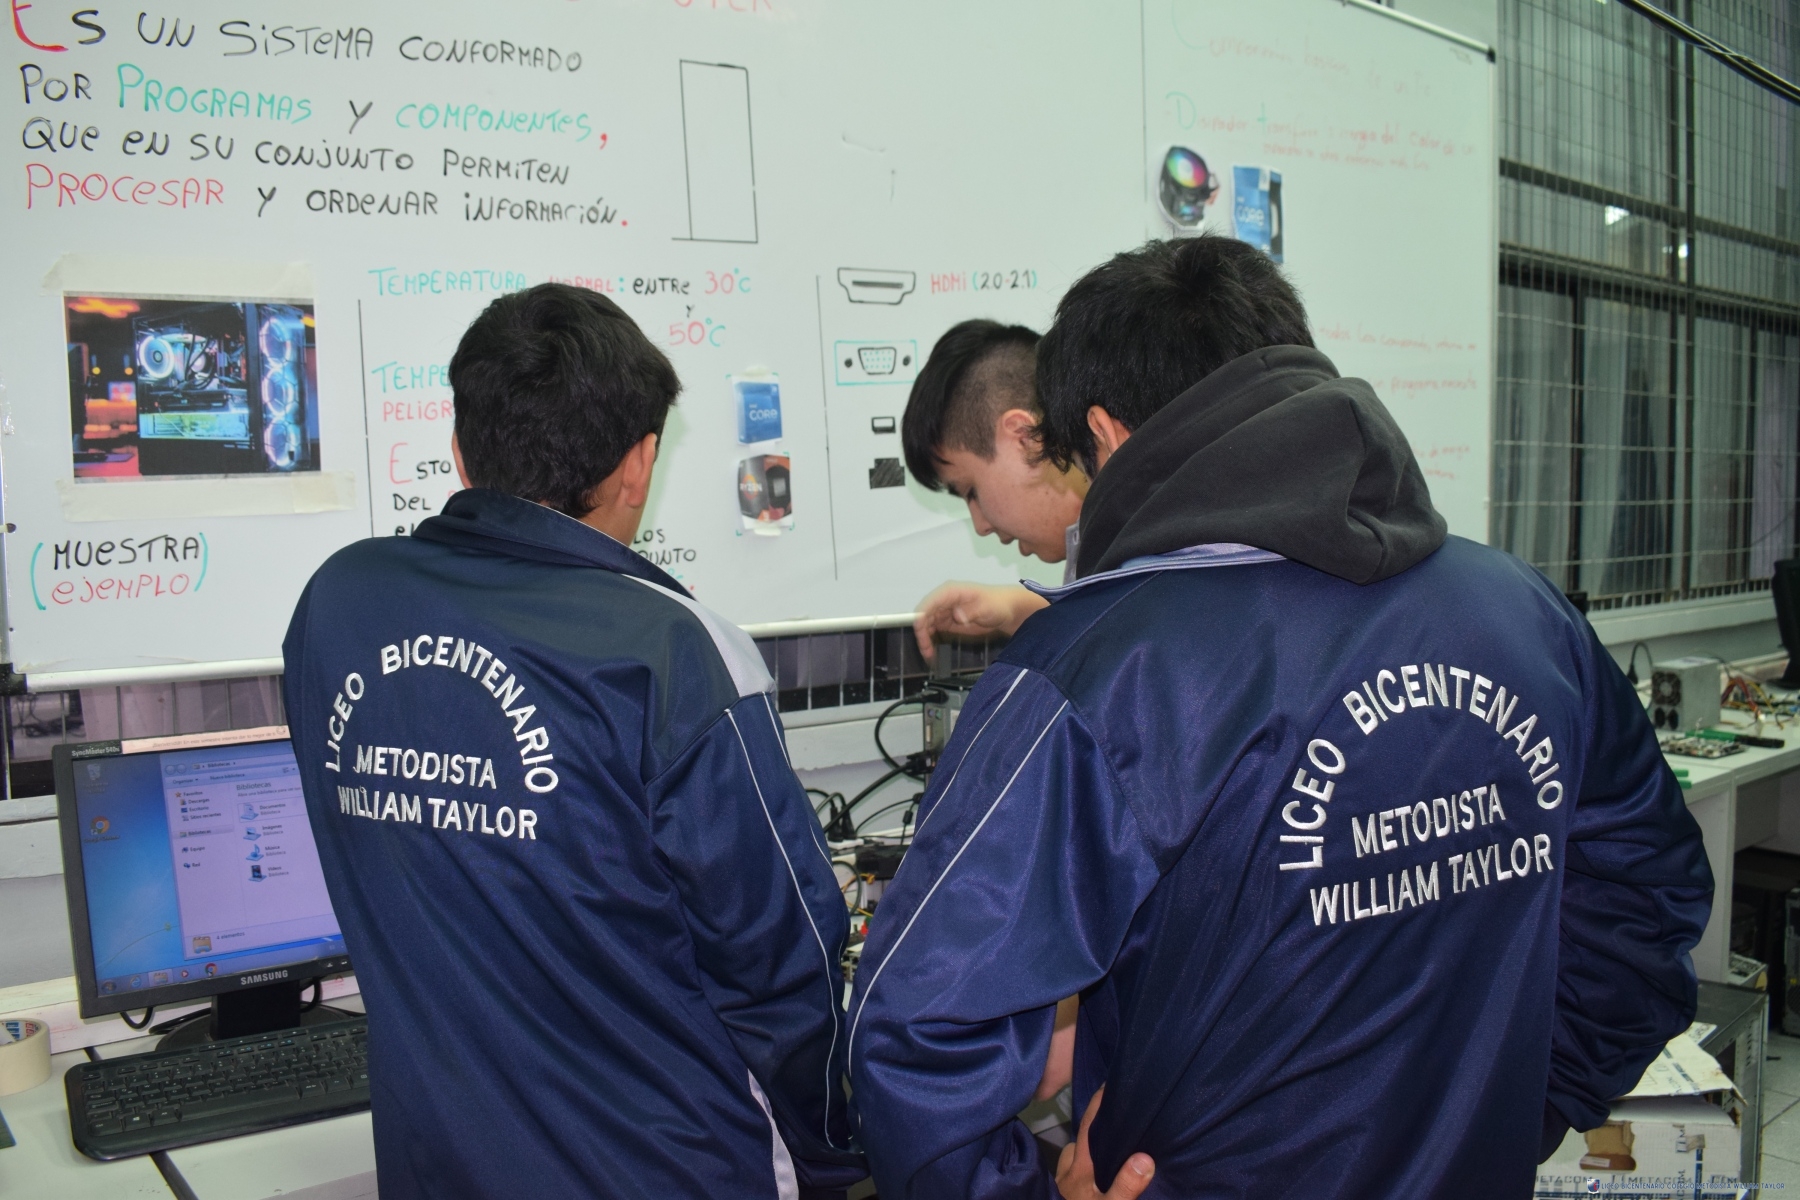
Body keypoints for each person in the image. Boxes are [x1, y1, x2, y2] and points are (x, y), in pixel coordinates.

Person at [847, 235, 1712, 1199]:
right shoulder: (1525, 613)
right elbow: (1647, 907)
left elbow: (914, 1036)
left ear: (1106, 432)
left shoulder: (1095, 675)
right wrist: (1510, 1111)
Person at [283, 284, 863, 1200]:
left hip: (442, 1163)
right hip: (665, 1167)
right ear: (640, 463)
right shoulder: (670, 650)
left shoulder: (341, 604)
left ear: (460, 450)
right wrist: (839, 1144)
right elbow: (782, 961)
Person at [901, 320, 1086, 661]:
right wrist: (1012, 611)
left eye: (970, 491)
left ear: (1025, 438)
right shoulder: (1102, 540)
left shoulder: (1143, 543)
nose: (981, 526)